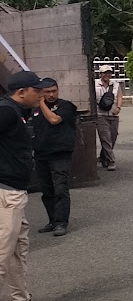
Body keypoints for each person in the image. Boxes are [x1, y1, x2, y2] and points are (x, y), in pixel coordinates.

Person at [0, 71, 52, 301]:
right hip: (5, 191)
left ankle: (23, 299)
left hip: (15, 190)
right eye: (38, 90)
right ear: (22, 92)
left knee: (16, 250)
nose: (42, 94)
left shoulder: (19, 111)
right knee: (2, 251)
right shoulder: (7, 111)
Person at [31, 78, 77, 237]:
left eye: (53, 91)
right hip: (41, 154)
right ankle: (52, 220)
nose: (51, 94)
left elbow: (54, 119)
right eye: (47, 92)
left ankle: (61, 222)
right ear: (41, 92)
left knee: (60, 189)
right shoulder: (34, 109)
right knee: (46, 190)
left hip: (60, 154)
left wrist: (42, 103)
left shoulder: (65, 106)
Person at [93, 65, 122, 171]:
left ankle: (103, 157)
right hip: (101, 115)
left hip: (113, 114)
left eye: (109, 72)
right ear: (100, 74)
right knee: (106, 138)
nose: (107, 75)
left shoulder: (115, 85)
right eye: (105, 73)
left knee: (112, 138)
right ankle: (111, 161)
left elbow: (119, 96)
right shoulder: (94, 84)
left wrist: (118, 107)